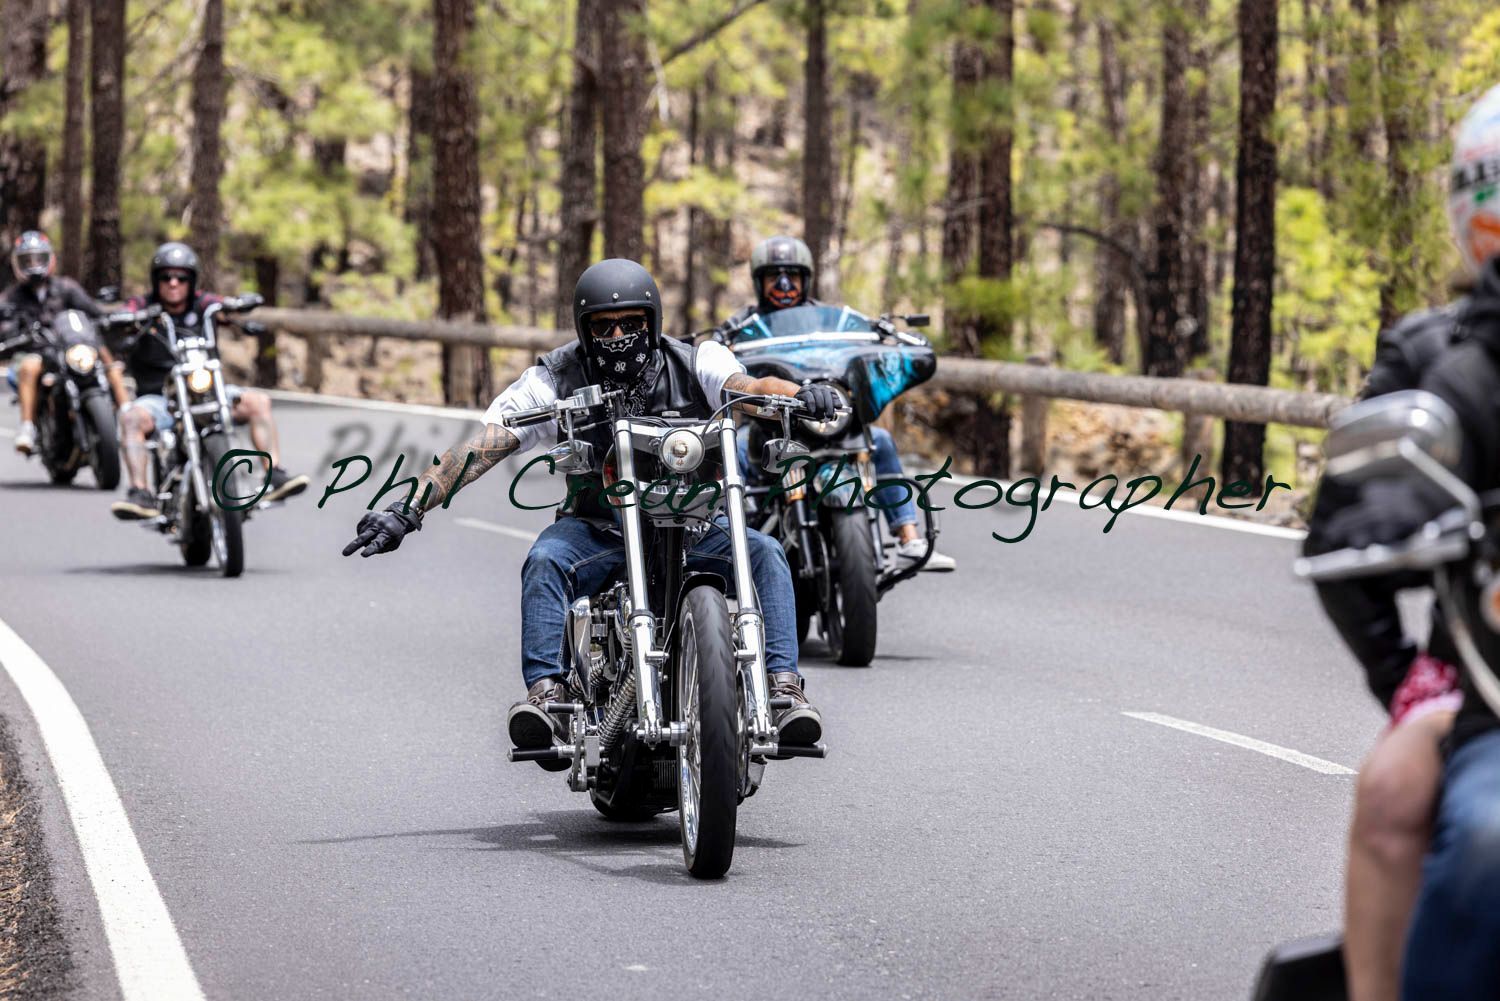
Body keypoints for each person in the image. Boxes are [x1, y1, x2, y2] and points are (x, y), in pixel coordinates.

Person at [343, 259, 837, 767]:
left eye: (631, 323)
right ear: (586, 329)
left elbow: (749, 389)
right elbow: (483, 446)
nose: (619, 334)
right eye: (605, 326)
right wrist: (408, 508)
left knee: (767, 554)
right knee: (545, 560)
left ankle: (782, 694)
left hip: (691, 528)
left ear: (653, 321)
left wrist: (801, 396)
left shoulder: (697, 360)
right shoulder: (553, 377)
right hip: (599, 531)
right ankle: (548, 699)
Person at [1315, 82, 1500, 1001]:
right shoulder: (1443, 358)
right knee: (1425, 808)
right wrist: (1412, 683)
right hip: (1486, 688)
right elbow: (1344, 527)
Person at [712, 234, 955, 572]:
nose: (784, 285)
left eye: (792, 276)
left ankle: (909, 537)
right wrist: (715, 344)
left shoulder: (831, 320)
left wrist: (887, 332)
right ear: (759, 282)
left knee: (880, 441)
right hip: (772, 424)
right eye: (774, 277)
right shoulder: (741, 325)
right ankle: (729, 542)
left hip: (827, 414)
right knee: (733, 448)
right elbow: (714, 354)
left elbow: (861, 338)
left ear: (805, 279)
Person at [107, 242, 308, 519]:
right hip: (160, 398)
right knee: (130, 418)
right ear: (156, 280)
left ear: (192, 280)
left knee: (258, 402)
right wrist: (122, 318)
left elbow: (224, 307)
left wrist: (236, 306)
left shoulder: (204, 305)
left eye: (181, 277)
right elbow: (123, 313)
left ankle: (274, 475)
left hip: (207, 391)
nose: (174, 283)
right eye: (166, 277)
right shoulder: (143, 307)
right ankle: (140, 492)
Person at [1, 231, 129, 452]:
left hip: (71, 347)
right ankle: (27, 427)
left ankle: (127, 410)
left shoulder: (66, 288)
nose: (33, 265)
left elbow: (95, 312)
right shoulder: (10, 298)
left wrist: (118, 316)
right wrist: (12, 332)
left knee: (102, 351)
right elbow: (5, 326)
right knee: (29, 366)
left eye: (38, 258)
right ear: (17, 264)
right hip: (37, 352)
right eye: (27, 260)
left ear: (50, 259)